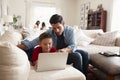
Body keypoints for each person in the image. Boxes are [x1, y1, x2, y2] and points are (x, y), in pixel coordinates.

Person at [17, 14, 89, 78]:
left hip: (67, 51)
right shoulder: (50, 32)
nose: (56, 30)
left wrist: (65, 50)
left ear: (63, 24)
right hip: (56, 53)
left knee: (85, 54)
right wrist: (16, 47)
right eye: (54, 28)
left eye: (59, 27)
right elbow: (34, 42)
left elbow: (73, 45)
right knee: (77, 56)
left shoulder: (70, 30)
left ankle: (84, 76)